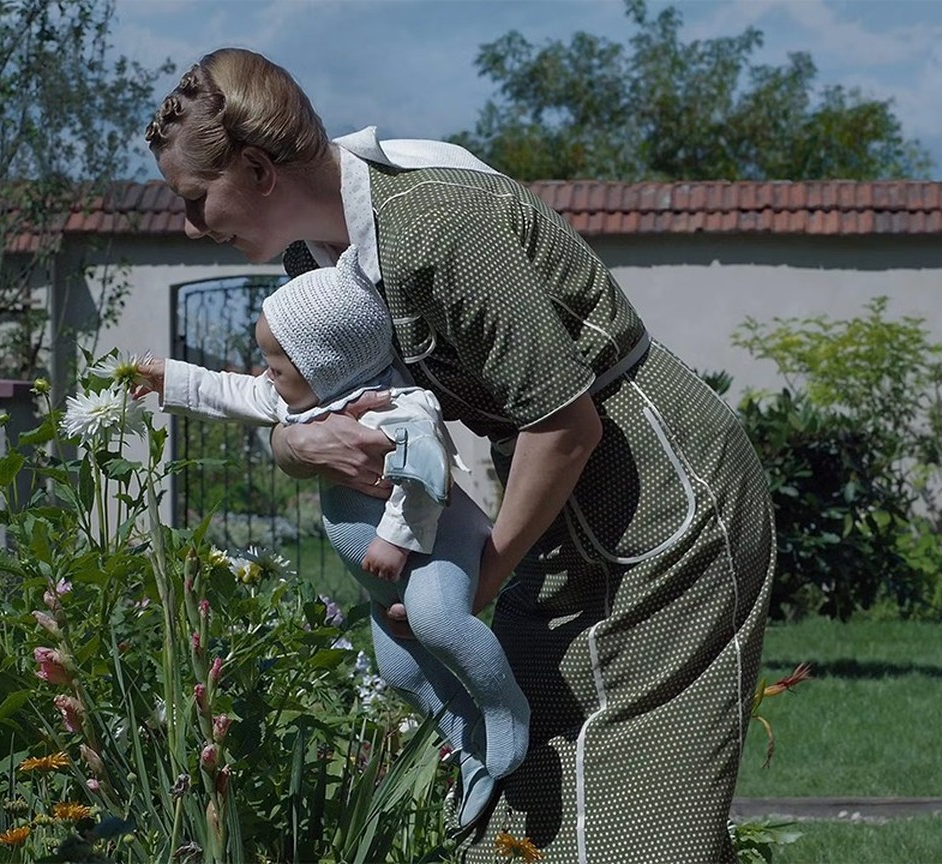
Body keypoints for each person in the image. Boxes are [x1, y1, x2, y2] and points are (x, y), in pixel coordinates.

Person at [143, 47, 775, 863]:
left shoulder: (439, 225)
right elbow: (301, 411)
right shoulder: (316, 259)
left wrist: (479, 581)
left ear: (260, 168)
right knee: (520, 793)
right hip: (551, 501)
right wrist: (297, 446)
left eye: (196, 199)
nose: (192, 225)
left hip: (660, 492)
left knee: (646, 825)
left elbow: (567, 428)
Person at [135, 249, 528, 830]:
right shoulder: (309, 399)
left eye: (276, 363)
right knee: (400, 669)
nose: (265, 373)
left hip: (434, 548)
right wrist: (170, 377)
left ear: (324, 362)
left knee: (440, 621)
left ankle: (504, 710)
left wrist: (394, 539)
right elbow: (233, 391)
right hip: (381, 579)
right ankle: (465, 740)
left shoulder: (398, 407)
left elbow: (427, 473)